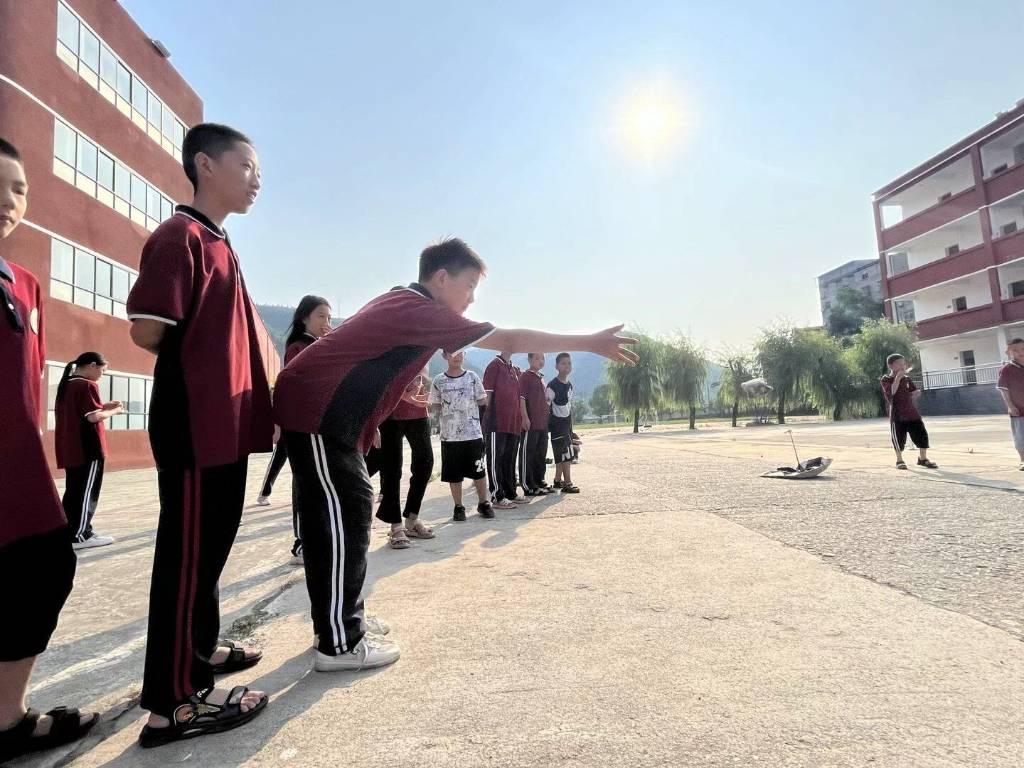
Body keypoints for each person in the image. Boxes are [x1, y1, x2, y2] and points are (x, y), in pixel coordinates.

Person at [272, 237, 636, 674]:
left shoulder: (405, 303)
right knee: (342, 516)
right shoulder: (419, 309)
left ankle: (343, 619)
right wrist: (590, 341)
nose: (470, 301)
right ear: (441, 278)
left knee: (350, 512)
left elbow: (369, 354)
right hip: (317, 412)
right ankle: (338, 642)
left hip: (329, 416)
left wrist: (399, 385)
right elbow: (511, 337)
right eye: (468, 287)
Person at [126, 123, 273, 747]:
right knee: (184, 560)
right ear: (205, 165)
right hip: (192, 423)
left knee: (206, 552)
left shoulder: (220, 242)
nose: (257, 179)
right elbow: (147, 330)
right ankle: (171, 705)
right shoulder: (179, 235)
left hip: (225, 426)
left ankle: (201, 654)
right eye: (247, 165)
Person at [0, 138, 98, 762]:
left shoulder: (25, 283)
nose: (8, 200)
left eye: (18, 188)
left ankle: (6, 717)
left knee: (41, 569)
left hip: (17, 465)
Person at [258, 296, 332, 563]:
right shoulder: (300, 348)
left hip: (318, 426)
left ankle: (314, 539)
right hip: (303, 425)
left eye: (329, 317)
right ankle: (301, 544)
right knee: (305, 484)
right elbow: (300, 386)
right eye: (321, 317)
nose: (327, 323)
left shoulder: (317, 345)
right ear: (304, 319)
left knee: (315, 485)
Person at [54, 352, 124, 549]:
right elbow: (93, 418)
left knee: (74, 491)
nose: (102, 374)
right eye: (102, 370)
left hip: (70, 448)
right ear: (92, 365)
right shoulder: (87, 385)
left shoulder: (67, 384)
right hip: (88, 449)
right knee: (86, 493)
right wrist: (114, 411)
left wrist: (103, 406)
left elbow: (83, 412)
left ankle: (71, 532)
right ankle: (80, 535)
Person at [430, 350, 492, 520]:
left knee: (479, 470)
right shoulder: (438, 380)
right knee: (454, 473)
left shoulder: (472, 377)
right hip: (450, 436)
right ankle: (458, 506)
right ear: (444, 356)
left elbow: (482, 400)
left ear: (464, 354)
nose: (456, 356)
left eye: (460, 352)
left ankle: (483, 503)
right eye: (452, 353)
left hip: (473, 433)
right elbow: (435, 405)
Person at [377, 366, 436, 549]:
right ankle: (396, 526)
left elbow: (423, 369)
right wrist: (402, 394)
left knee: (425, 462)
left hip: (417, 410)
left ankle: (411, 518)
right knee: (391, 468)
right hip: (390, 411)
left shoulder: (423, 340)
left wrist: (419, 381)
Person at [881, 353, 937, 471]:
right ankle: (899, 460)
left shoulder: (907, 379)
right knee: (898, 437)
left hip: (912, 412)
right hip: (897, 414)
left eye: (904, 363)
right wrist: (897, 378)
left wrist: (916, 393)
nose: (903, 366)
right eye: (899, 364)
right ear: (891, 366)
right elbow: (891, 393)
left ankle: (923, 459)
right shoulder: (886, 379)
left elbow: (914, 390)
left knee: (921, 434)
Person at [483, 351, 524, 509]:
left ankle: (510, 493)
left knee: (509, 460)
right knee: (495, 460)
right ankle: (497, 496)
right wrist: (485, 420)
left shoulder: (513, 368)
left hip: (512, 423)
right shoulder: (494, 366)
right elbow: (487, 396)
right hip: (496, 423)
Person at [518, 353, 552, 496]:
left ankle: (539, 481)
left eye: (543, 358)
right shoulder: (526, 377)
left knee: (540, 454)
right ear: (530, 359)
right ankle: (528, 484)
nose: (540, 361)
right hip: (530, 424)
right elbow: (521, 398)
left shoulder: (541, 378)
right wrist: (525, 417)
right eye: (537, 358)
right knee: (528, 454)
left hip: (542, 424)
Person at [548, 353, 580, 491]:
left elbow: (568, 408)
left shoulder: (569, 385)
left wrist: (571, 430)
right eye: (563, 363)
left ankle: (557, 480)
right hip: (557, 425)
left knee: (563, 454)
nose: (567, 366)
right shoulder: (552, 386)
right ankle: (567, 483)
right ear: (557, 366)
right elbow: (547, 407)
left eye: (569, 363)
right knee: (565, 455)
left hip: (566, 425)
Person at [996, 337, 1024, 469]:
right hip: (1019, 409)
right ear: (1010, 352)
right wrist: (1010, 406)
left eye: (1022, 349)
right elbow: (1003, 389)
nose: (1020, 352)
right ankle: (1023, 460)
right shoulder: (1007, 369)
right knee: (1020, 436)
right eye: (1015, 350)